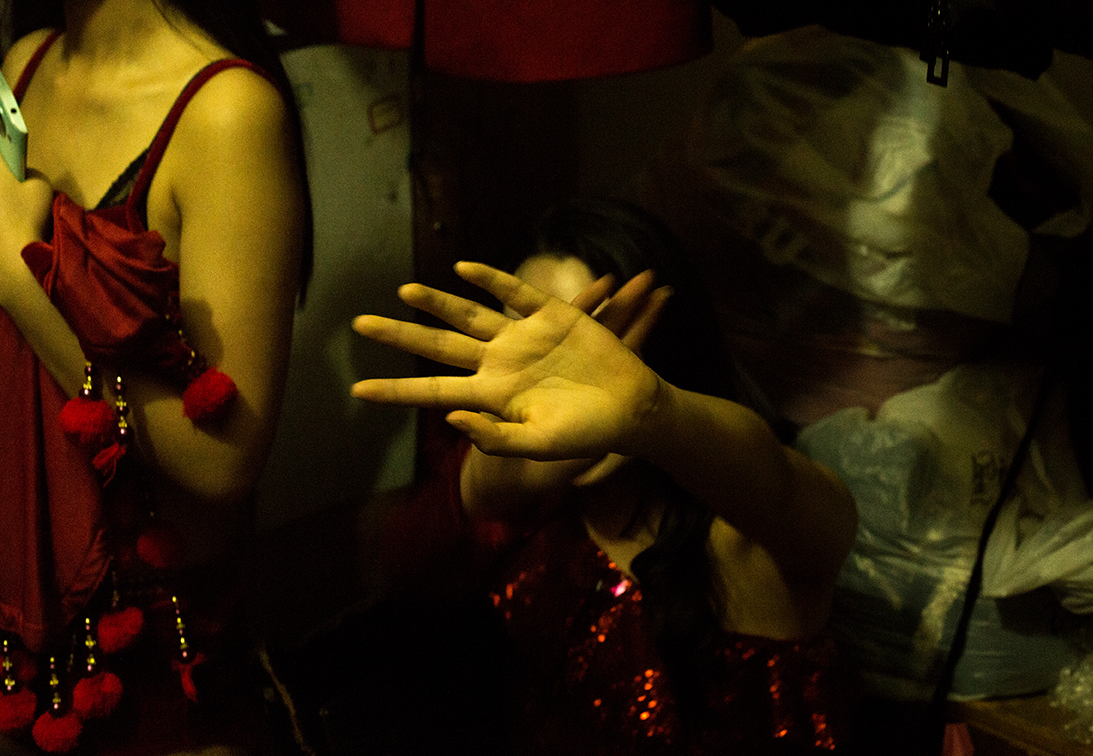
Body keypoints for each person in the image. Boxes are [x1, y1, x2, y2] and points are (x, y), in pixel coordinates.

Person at [352, 199, 859, 755]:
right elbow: (403, 578)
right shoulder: (533, 502)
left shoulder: (749, 532)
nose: (559, 384)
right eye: (530, 345)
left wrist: (652, 413)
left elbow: (784, 491)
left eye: (597, 340)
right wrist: (476, 490)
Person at [0, 1, 308, 753]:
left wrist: (17, 280)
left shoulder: (228, 112)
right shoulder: (25, 65)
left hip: (154, 669)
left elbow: (221, 457)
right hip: (22, 639)